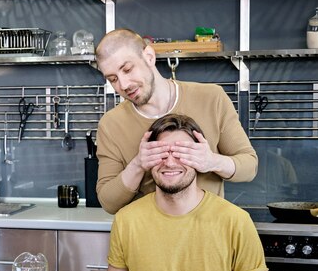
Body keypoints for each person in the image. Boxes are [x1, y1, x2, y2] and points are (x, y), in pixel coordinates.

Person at [97, 114, 276, 271]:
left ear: (200, 158)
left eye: (182, 153)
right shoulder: (127, 219)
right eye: (161, 153)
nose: (170, 162)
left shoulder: (235, 221)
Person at [94, 29, 258, 215]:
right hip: (147, 238)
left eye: (128, 69)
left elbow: (249, 167)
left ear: (148, 56)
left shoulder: (212, 98)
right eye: (113, 79)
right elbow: (108, 202)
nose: (123, 85)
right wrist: (138, 164)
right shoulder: (111, 125)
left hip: (210, 234)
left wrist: (211, 161)